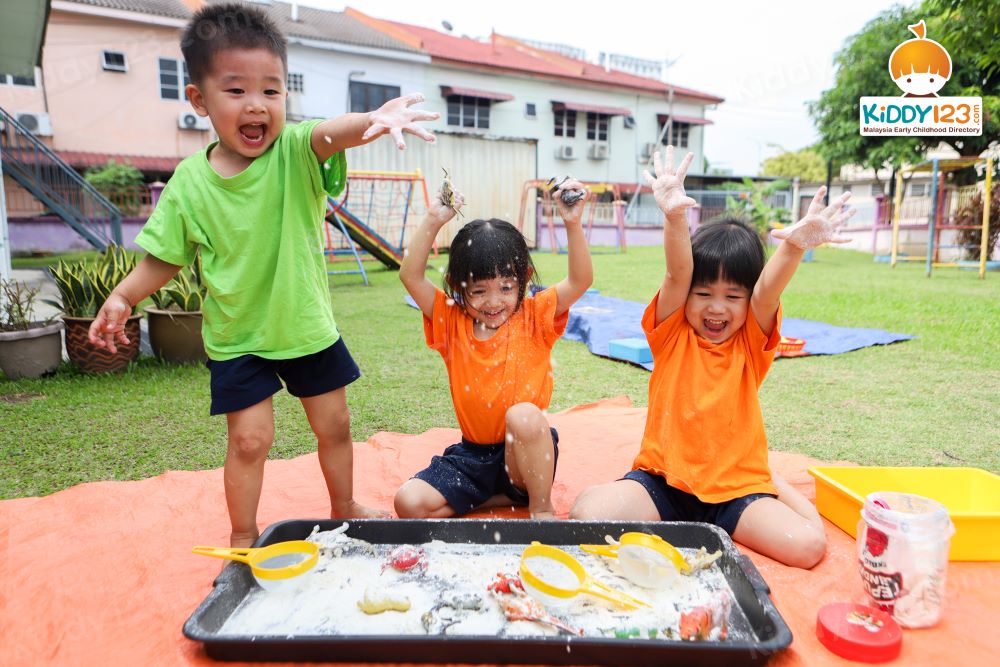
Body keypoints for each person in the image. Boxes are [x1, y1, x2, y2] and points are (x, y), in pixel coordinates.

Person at [87, 2, 438, 547]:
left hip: (304, 326)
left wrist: (372, 120)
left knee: (336, 426)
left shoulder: (294, 152)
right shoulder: (189, 183)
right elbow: (166, 256)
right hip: (239, 336)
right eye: (236, 90)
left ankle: (344, 504)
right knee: (250, 441)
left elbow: (329, 134)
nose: (256, 105)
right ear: (199, 99)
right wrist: (123, 295)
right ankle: (243, 534)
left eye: (271, 91)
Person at [570, 147, 854, 569]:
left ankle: (772, 479)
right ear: (687, 295)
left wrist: (794, 246)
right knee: (584, 515)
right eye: (703, 294)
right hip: (664, 484)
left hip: (737, 492)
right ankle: (742, 488)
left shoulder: (751, 343)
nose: (716, 308)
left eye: (732, 297)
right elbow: (677, 274)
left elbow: (766, 293)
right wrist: (674, 217)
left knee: (809, 546)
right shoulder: (670, 334)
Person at [395, 179, 593, 519]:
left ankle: (540, 506)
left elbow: (580, 281)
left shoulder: (535, 316)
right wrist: (434, 218)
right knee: (408, 503)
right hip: (472, 458)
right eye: (478, 291)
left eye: (505, 287)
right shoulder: (450, 321)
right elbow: (410, 276)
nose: (493, 302)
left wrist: (572, 223)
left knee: (524, 415)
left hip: (526, 456)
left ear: (524, 279)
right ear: (458, 287)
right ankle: (494, 497)